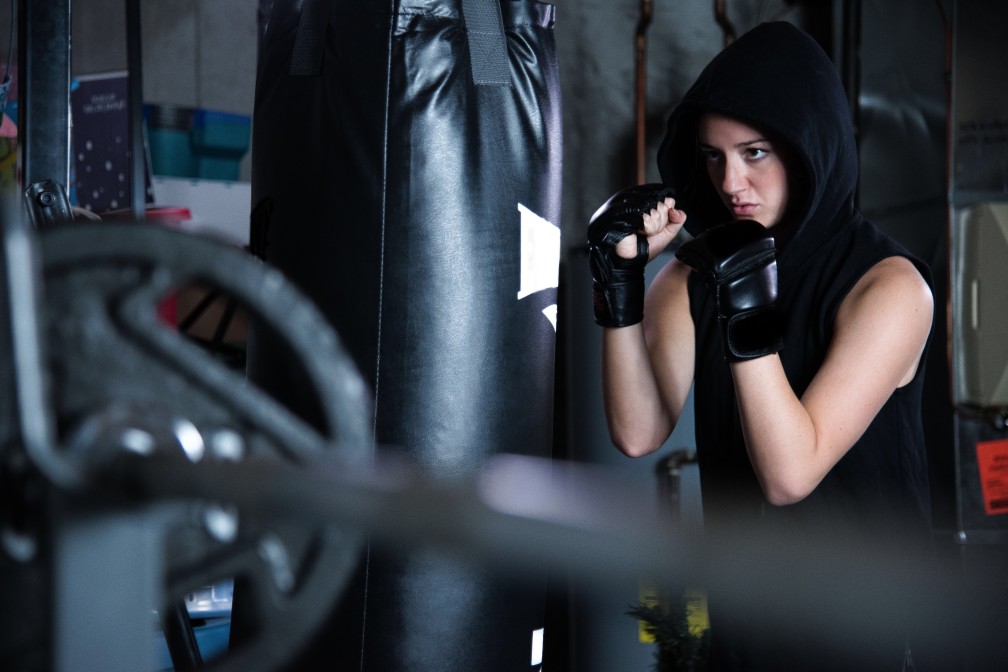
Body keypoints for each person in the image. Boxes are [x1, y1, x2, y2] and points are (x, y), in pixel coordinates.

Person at [587, 22, 934, 670]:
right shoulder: (696, 274)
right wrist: (622, 286)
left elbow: (789, 474)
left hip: (870, 634)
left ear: (809, 148)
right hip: (747, 629)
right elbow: (638, 433)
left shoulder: (890, 289)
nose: (731, 182)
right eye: (713, 157)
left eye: (754, 153)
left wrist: (746, 300)